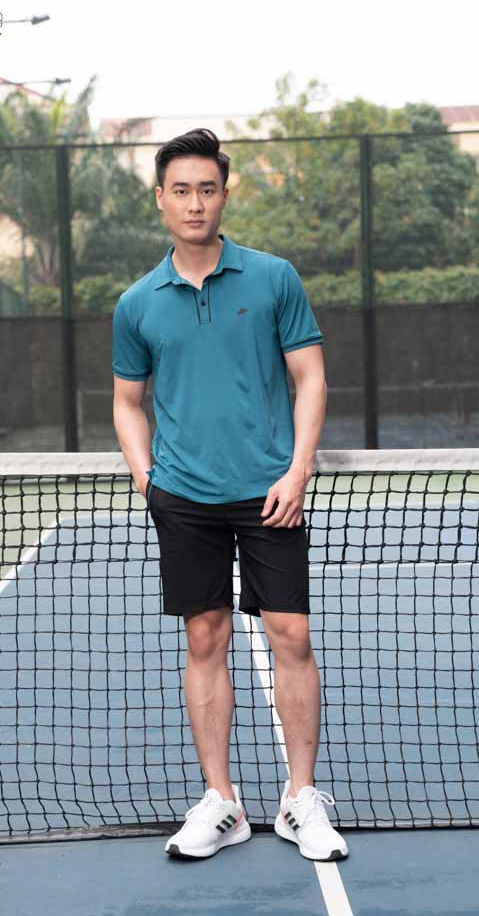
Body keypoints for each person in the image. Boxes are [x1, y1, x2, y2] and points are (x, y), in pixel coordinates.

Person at [111, 127, 348, 863]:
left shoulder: (274, 278)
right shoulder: (137, 303)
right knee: (204, 637)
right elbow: (126, 401)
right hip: (183, 498)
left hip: (270, 491)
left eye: (207, 189)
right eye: (181, 190)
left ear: (224, 195)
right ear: (160, 199)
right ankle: (222, 803)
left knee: (292, 636)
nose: (195, 203)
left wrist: (297, 471)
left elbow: (310, 377)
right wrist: (147, 478)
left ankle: (300, 798)